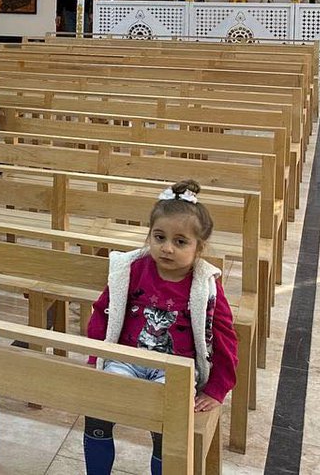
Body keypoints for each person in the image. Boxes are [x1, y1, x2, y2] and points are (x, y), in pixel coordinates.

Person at [83, 181, 238, 475]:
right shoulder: (132, 271)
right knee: (99, 404)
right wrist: (96, 357)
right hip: (128, 359)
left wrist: (217, 389)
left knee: (168, 422)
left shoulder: (206, 286)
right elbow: (103, 312)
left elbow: (225, 338)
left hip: (176, 370)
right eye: (159, 237)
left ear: (199, 247)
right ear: (149, 236)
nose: (167, 248)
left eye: (180, 242)